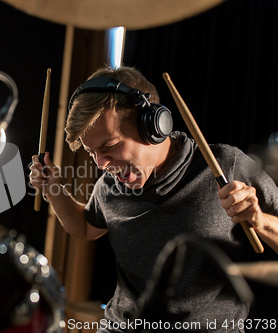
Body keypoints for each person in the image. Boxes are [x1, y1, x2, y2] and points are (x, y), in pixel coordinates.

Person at [29, 65, 278, 332]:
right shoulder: (110, 185)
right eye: (92, 153)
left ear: (153, 126)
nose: (101, 164)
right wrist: (53, 189)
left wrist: (259, 220)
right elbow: (87, 227)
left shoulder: (226, 167)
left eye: (109, 146)